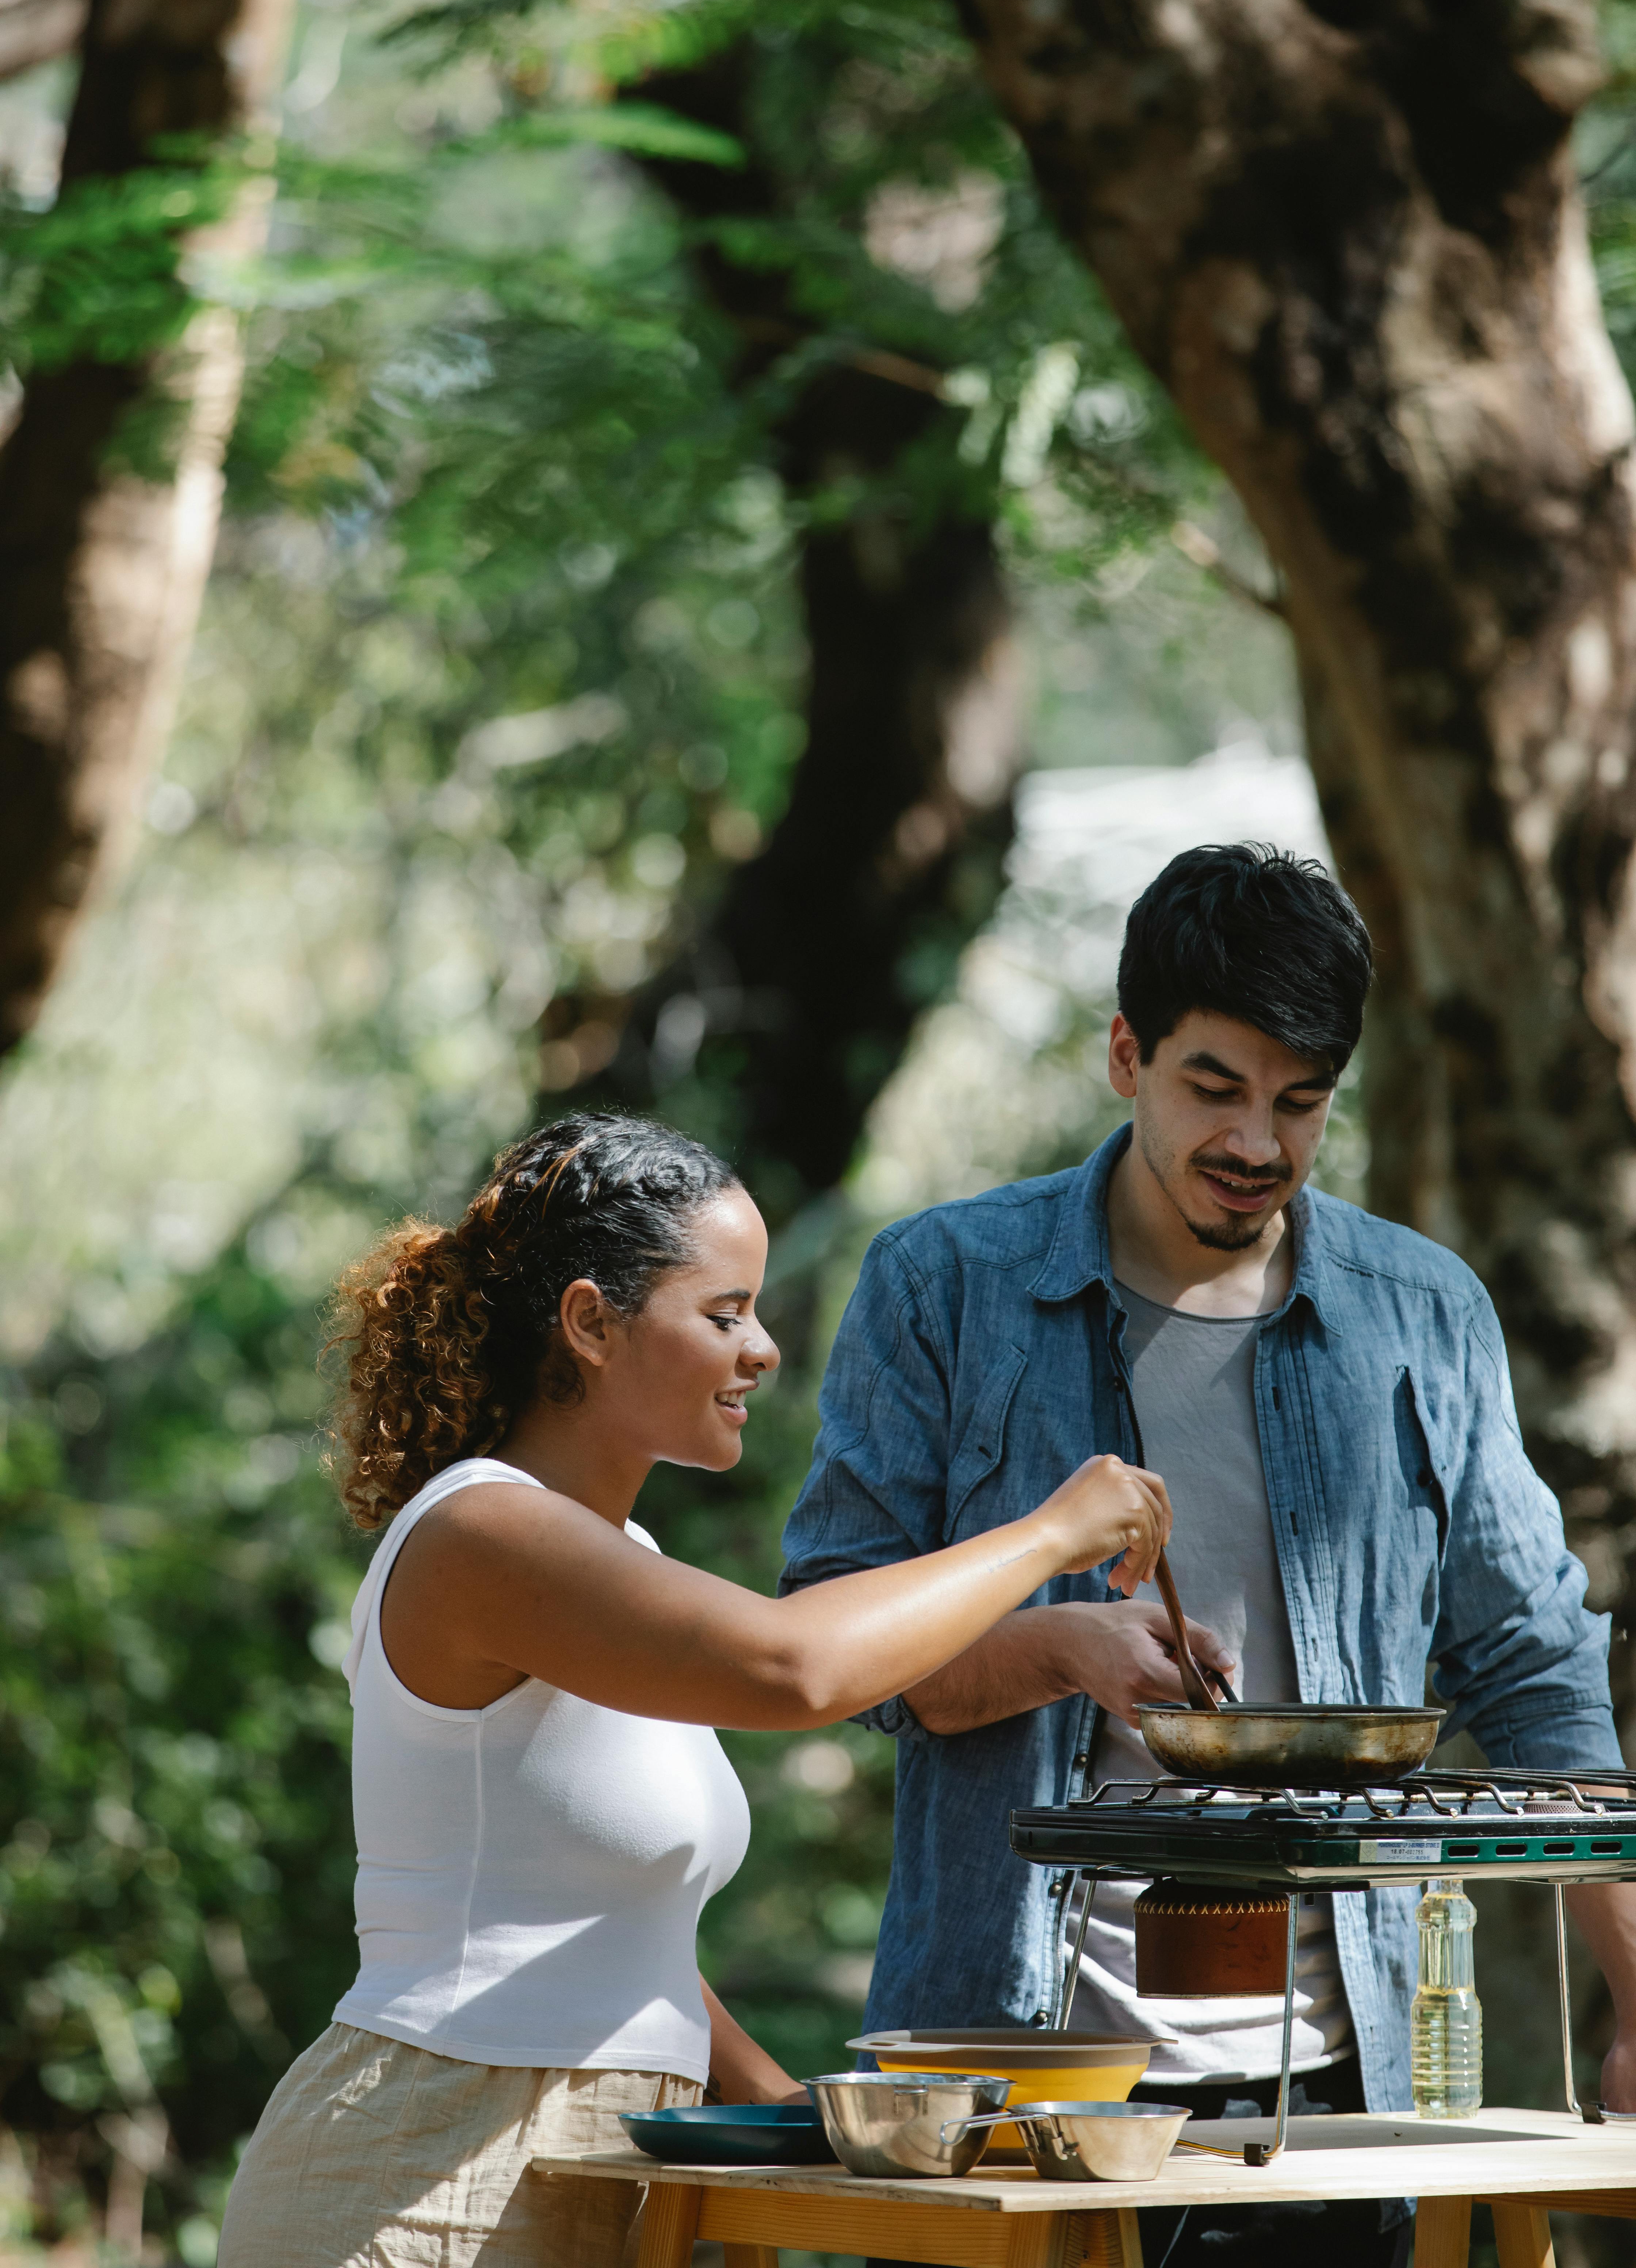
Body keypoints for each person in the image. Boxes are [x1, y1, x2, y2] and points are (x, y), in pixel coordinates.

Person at [781, 843, 1636, 2268]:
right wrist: (1058, 1648)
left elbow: (1537, 1666)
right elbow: (838, 1649)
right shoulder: (944, 1288)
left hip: (1341, 2107)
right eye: (1214, 1089)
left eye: (1299, 1105)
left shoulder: (1421, 1315)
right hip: (1016, 2093)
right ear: (1127, 1054)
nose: (1257, 1145)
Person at [218, 1110, 1171, 2268]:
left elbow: (617, 1933)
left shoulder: (626, 1561)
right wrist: (1051, 1532)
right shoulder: (483, 1530)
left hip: (594, 2176)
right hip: (425, 2166)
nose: (764, 1349)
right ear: (590, 1324)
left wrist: (795, 2110)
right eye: (725, 1315)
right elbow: (796, 1664)